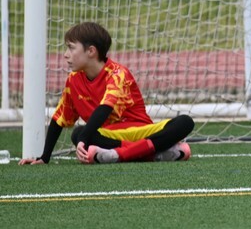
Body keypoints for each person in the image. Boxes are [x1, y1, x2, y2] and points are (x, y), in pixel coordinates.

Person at [18, 21, 194, 165]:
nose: (65, 54)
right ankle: (151, 153)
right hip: (108, 135)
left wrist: (84, 140)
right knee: (78, 133)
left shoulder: (117, 73)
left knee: (185, 122)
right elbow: (59, 119)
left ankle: (120, 155)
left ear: (91, 51)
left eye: (71, 48)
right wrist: (44, 158)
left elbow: (105, 108)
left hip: (140, 131)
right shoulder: (73, 79)